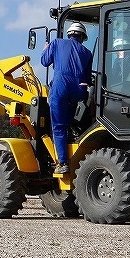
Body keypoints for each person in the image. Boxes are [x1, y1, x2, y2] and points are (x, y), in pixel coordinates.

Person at [40, 22, 93, 174]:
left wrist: (45, 49)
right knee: (70, 123)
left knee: (58, 126)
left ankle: (62, 162)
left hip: (61, 88)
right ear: (82, 36)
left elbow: (44, 62)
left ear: (69, 34)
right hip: (79, 91)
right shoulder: (87, 53)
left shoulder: (57, 43)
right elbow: (88, 78)